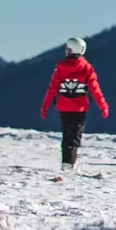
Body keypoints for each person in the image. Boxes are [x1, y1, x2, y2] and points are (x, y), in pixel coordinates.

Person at [41, 37, 108, 171]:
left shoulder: (60, 68)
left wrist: (45, 106)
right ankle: (70, 162)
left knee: (66, 133)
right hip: (79, 107)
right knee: (75, 134)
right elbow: (95, 89)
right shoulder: (87, 68)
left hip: (63, 106)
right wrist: (103, 106)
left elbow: (52, 88)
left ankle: (66, 161)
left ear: (70, 49)